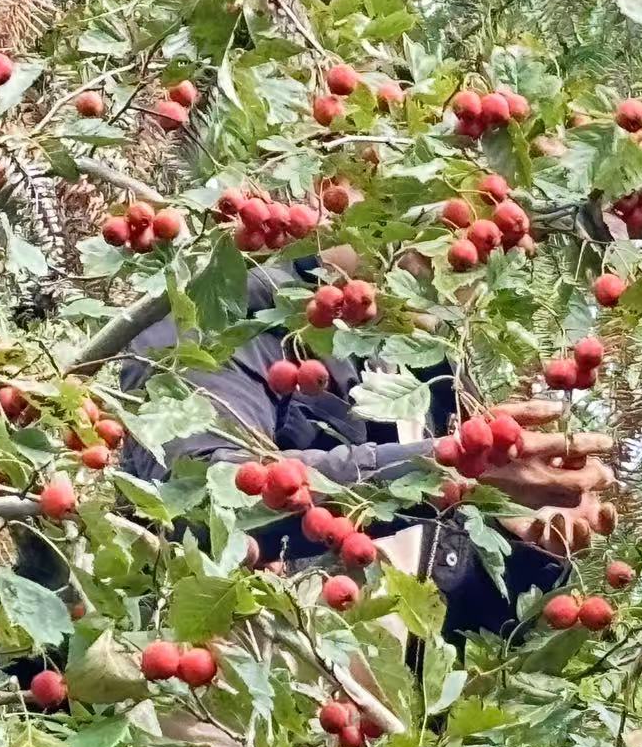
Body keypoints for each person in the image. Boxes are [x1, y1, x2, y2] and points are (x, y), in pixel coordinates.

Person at [114, 245, 615, 641]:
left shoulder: (436, 385)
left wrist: (525, 545)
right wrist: (437, 469)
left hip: (362, 731)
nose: (498, 248)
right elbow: (202, 493)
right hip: (219, 695)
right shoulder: (227, 308)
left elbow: (457, 639)